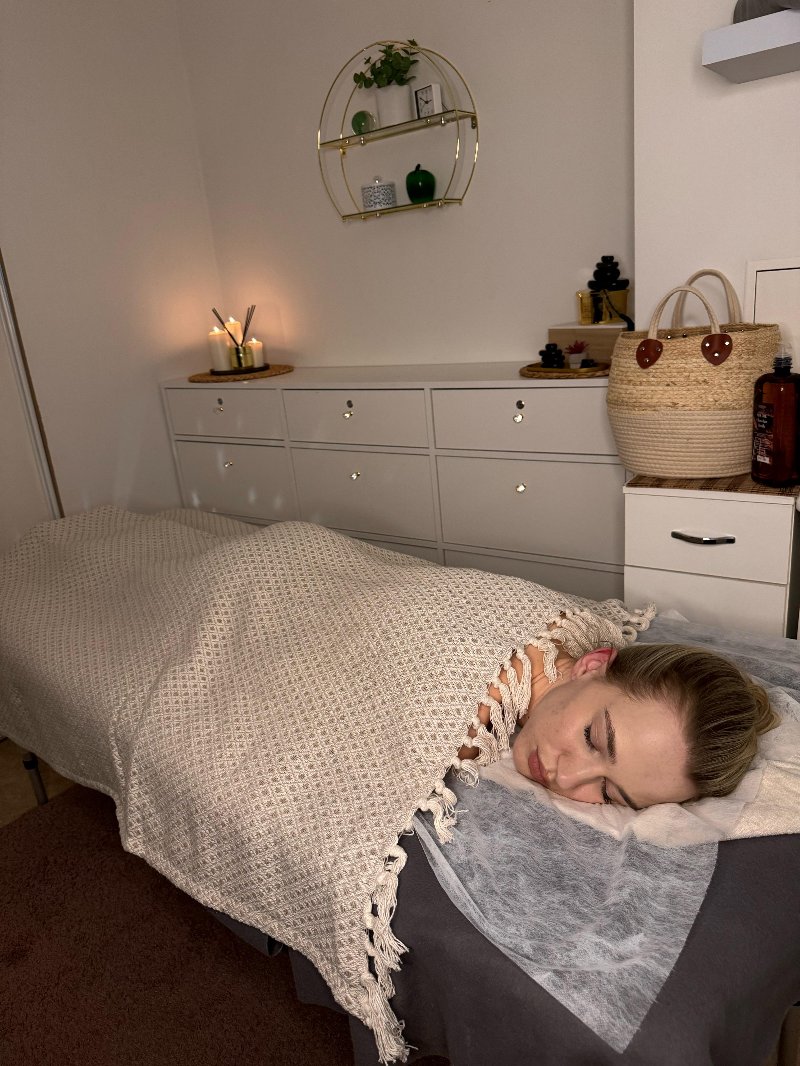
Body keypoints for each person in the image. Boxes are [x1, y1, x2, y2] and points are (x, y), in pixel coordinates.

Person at [460, 640, 778, 810]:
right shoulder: (466, 705)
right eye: (592, 738)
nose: (566, 778)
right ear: (592, 665)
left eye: (608, 792)